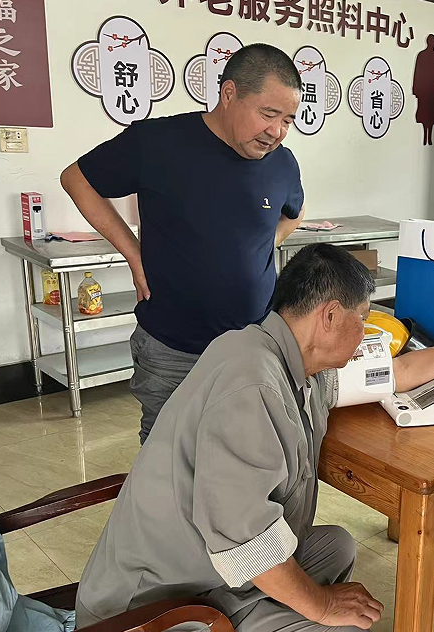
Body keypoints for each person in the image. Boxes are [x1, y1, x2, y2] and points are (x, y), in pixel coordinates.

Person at [75, 244, 434, 632]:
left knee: (335, 546)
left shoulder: (290, 362)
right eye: (363, 317)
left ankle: (282, 629)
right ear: (330, 316)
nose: (366, 331)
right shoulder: (252, 382)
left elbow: (400, 372)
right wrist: (322, 606)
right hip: (157, 615)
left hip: (207, 572)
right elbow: (243, 542)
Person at [61, 44, 307, 444]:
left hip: (252, 346)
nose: (276, 131)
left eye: (288, 120)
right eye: (268, 114)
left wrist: (262, 245)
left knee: (243, 449)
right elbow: (77, 179)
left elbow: (294, 212)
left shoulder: (282, 162)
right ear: (229, 94)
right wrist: (134, 253)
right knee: (166, 455)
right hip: (173, 349)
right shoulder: (158, 143)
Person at [413, 35, 434, 146]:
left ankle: (428, 137)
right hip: (428, 90)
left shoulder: (427, 56)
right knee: (427, 113)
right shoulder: (433, 57)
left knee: (428, 114)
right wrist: (416, 89)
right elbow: (417, 73)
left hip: (428, 90)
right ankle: (426, 136)